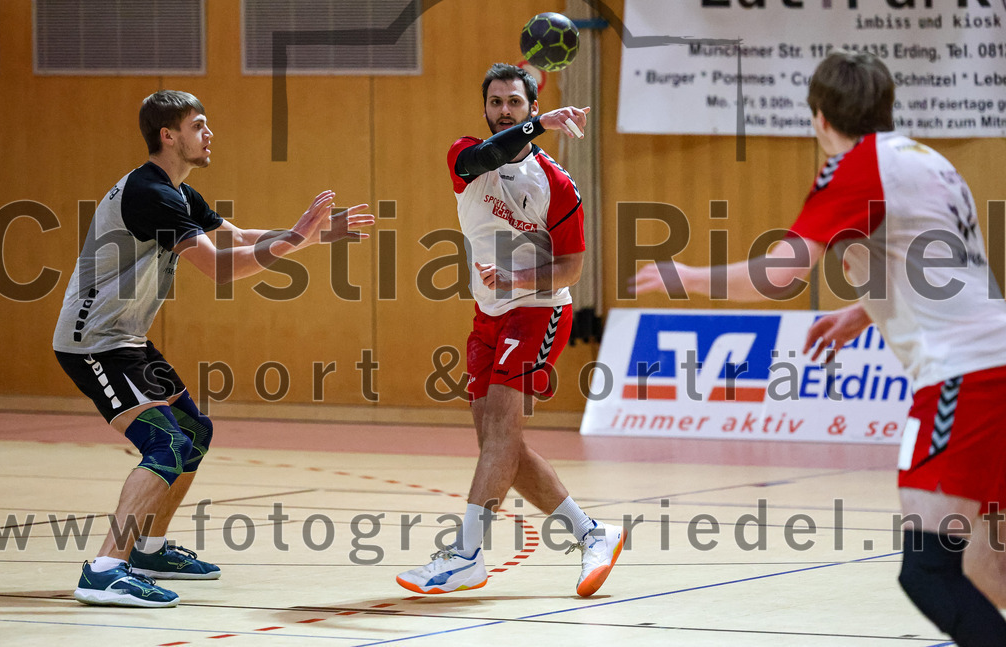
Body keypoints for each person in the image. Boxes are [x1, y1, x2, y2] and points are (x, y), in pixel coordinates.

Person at [630, 50, 1006, 646]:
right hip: (994, 360)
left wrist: (690, 275)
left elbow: (781, 274)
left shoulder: (855, 167)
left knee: (929, 573)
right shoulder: (927, 160)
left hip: (964, 379)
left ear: (820, 118)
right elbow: (940, 265)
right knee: (985, 567)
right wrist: (864, 310)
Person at [53, 90, 374, 607]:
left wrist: (308, 237)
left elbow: (235, 237)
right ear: (168, 136)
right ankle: (106, 569)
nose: (209, 134)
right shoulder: (150, 194)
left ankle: (149, 550)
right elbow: (221, 269)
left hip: (127, 340)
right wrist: (296, 239)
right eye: (198, 125)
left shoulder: (177, 192)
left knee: (193, 433)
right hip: (94, 342)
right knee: (165, 444)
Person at [396, 63, 625, 597]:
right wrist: (538, 125)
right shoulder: (465, 156)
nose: (504, 110)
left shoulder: (557, 184)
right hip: (488, 316)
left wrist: (517, 278)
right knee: (500, 447)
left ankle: (466, 556)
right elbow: (490, 154)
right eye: (496, 102)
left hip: (539, 311)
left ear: (531, 106)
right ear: (485, 109)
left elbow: (571, 268)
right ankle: (592, 534)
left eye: (515, 102)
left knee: (500, 436)